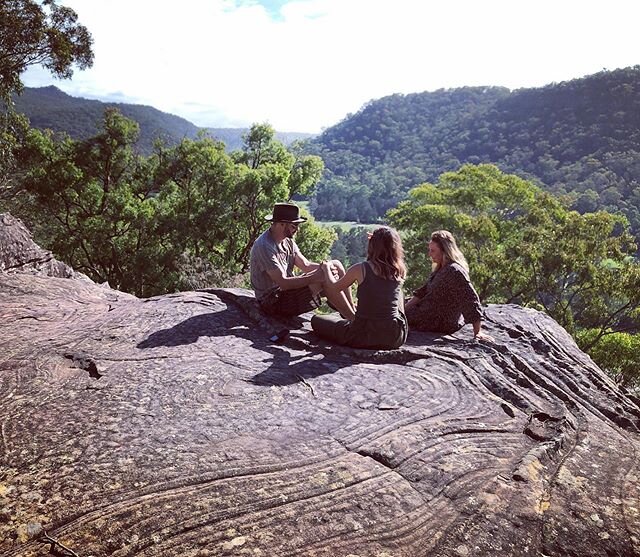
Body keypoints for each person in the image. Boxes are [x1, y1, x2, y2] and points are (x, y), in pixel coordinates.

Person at [311, 226, 408, 350]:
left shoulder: (361, 269)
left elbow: (333, 288)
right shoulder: (400, 270)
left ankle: (352, 319)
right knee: (399, 293)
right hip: (394, 336)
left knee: (317, 320)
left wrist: (325, 269)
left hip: (362, 335)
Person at [250, 202, 354, 318]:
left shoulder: (287, 241)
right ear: (282, 224)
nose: (297, 230)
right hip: (272, 301)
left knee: (336, 264)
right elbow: (283, 283)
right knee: (323, 279)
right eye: (294, 226)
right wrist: (317, 276)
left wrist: (327, 268)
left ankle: (352, 311)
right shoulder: (264, 246)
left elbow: (306, 265)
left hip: (287, 293)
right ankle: (353, 321)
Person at [405, 230, 491, 340]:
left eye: (433, 251)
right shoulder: (441, 268)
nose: (430, 254)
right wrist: (404, 308)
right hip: (429, 312)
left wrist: (477, 332)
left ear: (444, 251)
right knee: (396, 306)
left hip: (440, 321)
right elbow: (423, 291)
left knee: (390, 315)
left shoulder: (454, 271)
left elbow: (470, 298)